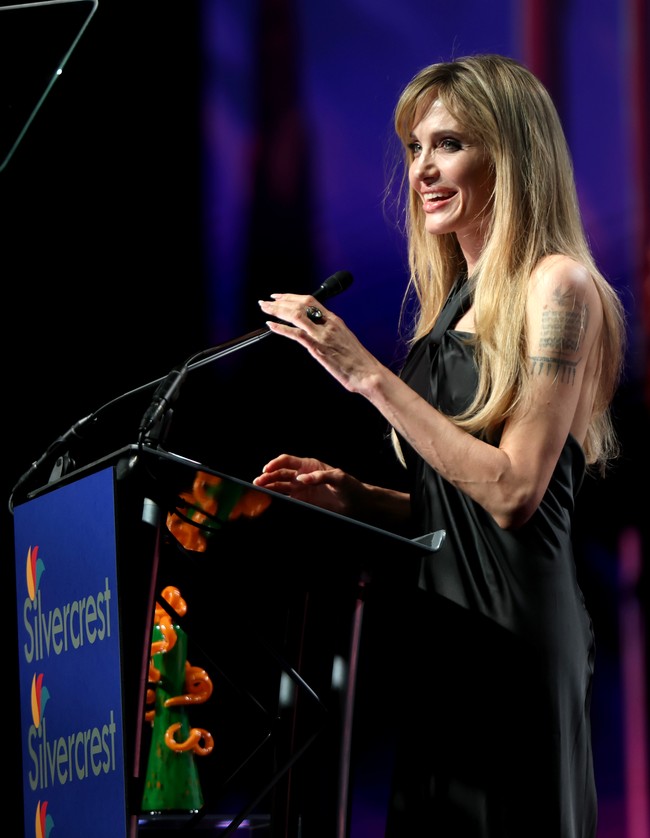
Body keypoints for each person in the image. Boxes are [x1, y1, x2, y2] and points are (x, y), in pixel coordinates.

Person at [252, 54, 626, 838]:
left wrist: (369, 377)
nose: (423, 168)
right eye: (415, 148)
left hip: (516, 641)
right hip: (444, 633)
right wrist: (358, 496)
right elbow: (455, 505)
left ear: (511, 153)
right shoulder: (451, 306)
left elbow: (514, 492)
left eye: (448, 144)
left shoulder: (559, 287)